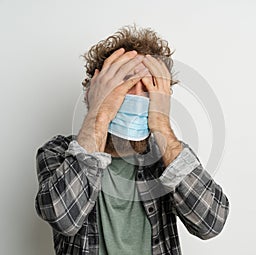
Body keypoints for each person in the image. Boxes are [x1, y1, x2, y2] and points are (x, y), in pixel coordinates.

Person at [35, 25, 230, 255]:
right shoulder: (57, 152)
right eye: (125, 82)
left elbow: (211, 224)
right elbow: (62, 217)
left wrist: (161, 125)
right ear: (94, 91)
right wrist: (99, 114)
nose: (137, 94)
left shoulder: (169, 157)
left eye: (149, 86)